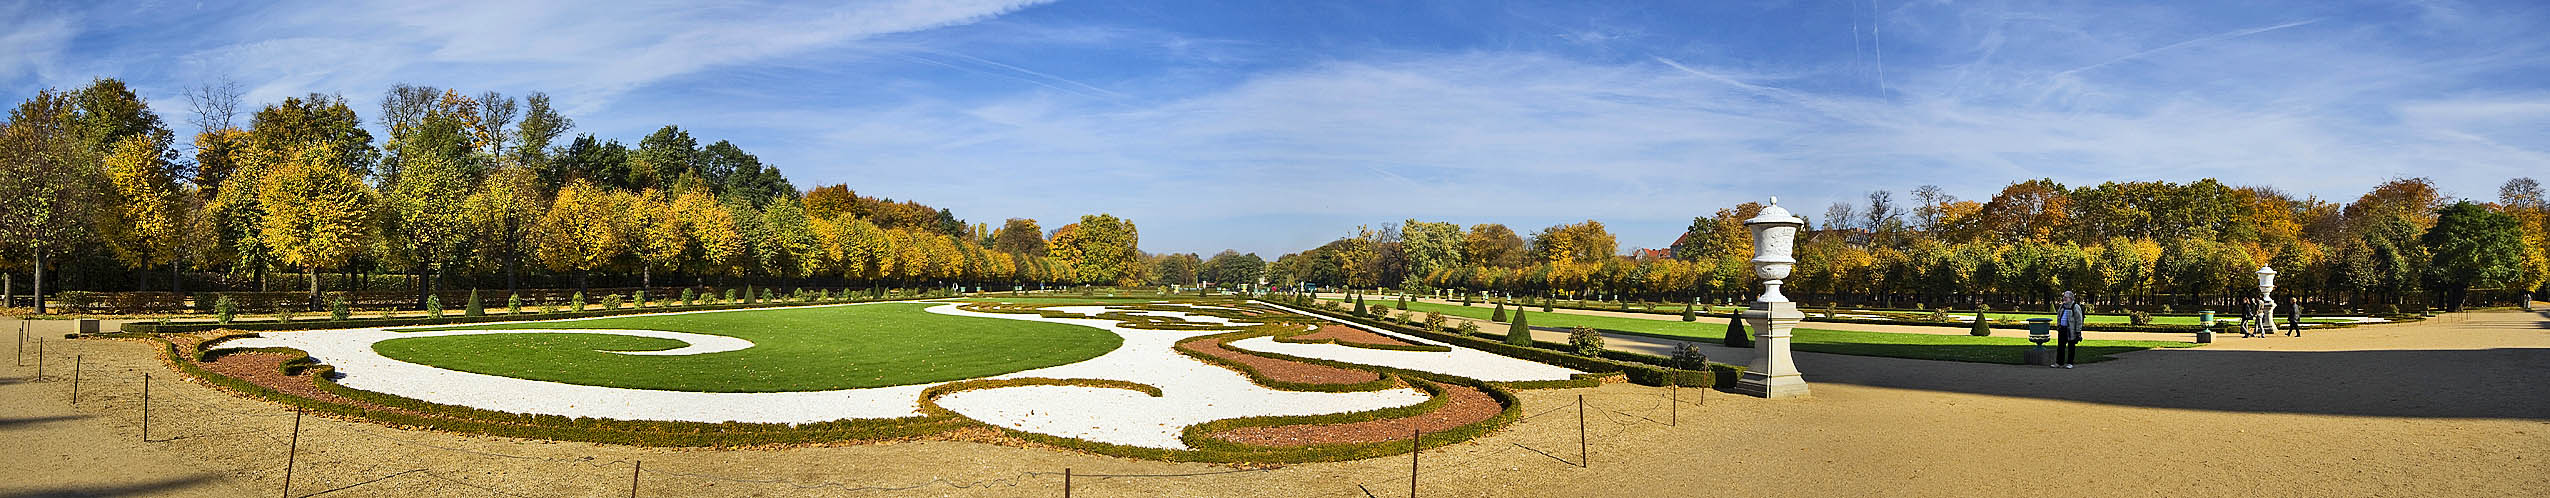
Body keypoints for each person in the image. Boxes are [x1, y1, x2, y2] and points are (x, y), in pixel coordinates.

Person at [2053, 291, 2085, 369]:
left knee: (2071, 347)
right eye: (2064, 297)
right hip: (2062, 329)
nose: (2064, 298)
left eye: (2066, 297)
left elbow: (2079, 320)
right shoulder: (2062, 306)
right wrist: (2058, 325)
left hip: (2071, 330)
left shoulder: (2075, 306)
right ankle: (2059, 362)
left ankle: (2070, 363)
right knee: (2060, 347)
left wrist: (2078, 331)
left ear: (2070, 298)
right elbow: (2058, 316)